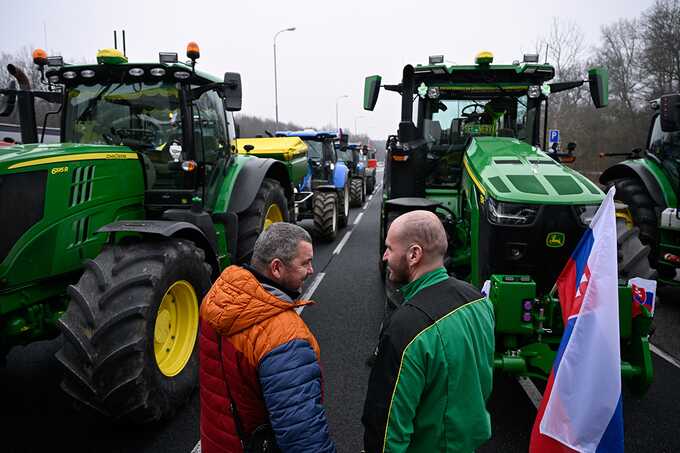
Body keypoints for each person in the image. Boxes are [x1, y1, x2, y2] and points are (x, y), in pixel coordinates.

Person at [362, 210, 495, 453]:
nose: (384, 256)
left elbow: (387, 426)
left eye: (390, 248)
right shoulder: (478, 300)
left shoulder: (406, 326)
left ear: (414, 254)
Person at [199, 222, 336, 453]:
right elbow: (302, 435)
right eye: (305, 263)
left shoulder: (217, 297)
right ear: (276, 268)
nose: (312, 270)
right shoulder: (283, 336)